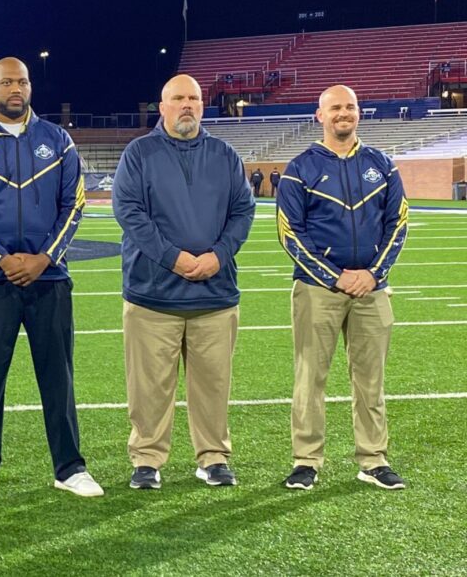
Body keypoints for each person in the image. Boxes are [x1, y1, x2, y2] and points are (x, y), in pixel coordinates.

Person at [0, 56, 102, 502]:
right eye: (7, 82)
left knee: (58, 376)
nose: (16, 88)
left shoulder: (58, 139)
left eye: (23, 81)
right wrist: (0, 259)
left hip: (49, 279)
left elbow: (73, 205)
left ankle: (69, 467)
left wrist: (44, 258)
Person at [113, 74, 255, 490]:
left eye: (193, 98)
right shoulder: (139, 153)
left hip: (215, 293)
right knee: (148, 387)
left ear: (202, 105)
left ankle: (213, 457)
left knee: (212, 385)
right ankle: (147, 460)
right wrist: (174, 259)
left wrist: (218, 255)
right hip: (152, 294)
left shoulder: (225, 154)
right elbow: (129, 212)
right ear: (163, 107)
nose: (187, 105)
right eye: (178, 98)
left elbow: (242, 212)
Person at [276, 84, 408, 491]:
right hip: (318, 289)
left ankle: (373, 459)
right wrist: (335, 277)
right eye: (335, 108)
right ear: (320, 115)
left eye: (349, 107)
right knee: (310, 377)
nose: (343, 114)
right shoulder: (300, 168)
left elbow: (398, 224)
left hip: (372, 288)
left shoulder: (383, 165)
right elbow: (289, 234)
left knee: (370, 379)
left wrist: (372, 273)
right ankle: (306, 461)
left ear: (359, 113)